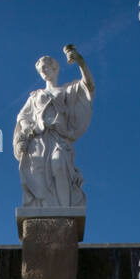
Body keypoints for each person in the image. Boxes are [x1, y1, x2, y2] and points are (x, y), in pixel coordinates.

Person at [14, 45, 94, 208]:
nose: (43, 71)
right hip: (38, 140)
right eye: (40, 69)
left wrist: (81, 62)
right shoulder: (35, 95)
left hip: (59, 137)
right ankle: (43, 208)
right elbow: (22, 116)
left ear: (54, 67)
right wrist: (26, 130)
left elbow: (88, 86)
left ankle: (64, 211)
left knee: (59, 165)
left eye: (45, 67)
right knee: (38, 176)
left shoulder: (66, 90)